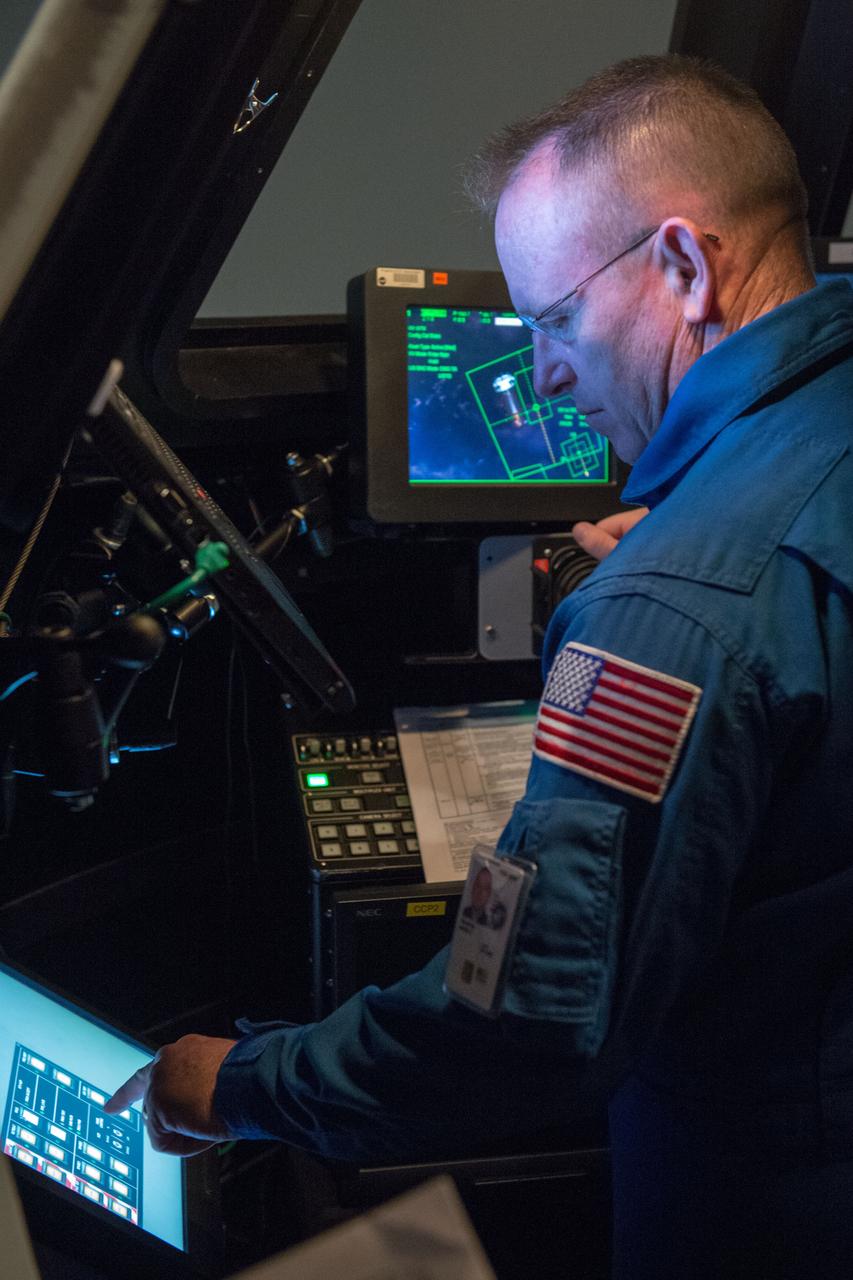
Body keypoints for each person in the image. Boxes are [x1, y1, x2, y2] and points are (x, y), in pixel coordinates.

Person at [106, 56, 853, 1277]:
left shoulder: (667, 603)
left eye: (554, 320)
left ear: (682, 264)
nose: (547, 373)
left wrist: (238, 1082)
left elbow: (526, 1019)